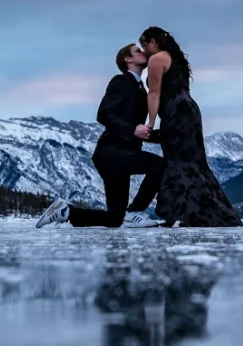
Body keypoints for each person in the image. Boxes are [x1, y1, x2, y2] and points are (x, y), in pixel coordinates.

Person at [37, 44, 163, 228]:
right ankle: (135, 211)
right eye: (138, 51)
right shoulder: (121, 81)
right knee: (160, 166)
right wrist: (132, 130)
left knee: (115, 219)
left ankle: (67, 211)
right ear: (128, 59)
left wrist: (167, 135)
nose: (143, 52)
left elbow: (136, 129)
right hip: (113, 154)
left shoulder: (141, 88)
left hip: (118, 156)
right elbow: (103, 113)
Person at [140, 26, 243, 227]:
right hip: (189, 111)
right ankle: (197, 213)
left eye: (144, 45)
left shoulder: (157, 59)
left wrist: (151, 122)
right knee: (193, 161)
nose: (144, 51)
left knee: (178, 161)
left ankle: (190, 213)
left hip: (175, 111)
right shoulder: (175, 58)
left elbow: (154, 93)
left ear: (152, 42)